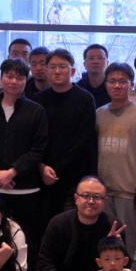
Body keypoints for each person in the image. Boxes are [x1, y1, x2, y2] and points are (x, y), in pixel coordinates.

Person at [0, 57, 49, 271]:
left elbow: (38, 148)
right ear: (1, 78)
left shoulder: (36, 110)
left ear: (25, 80)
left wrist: (12, 172)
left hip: (27, 188)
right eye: (9, 76)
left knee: (27, 239)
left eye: (19, 77)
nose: (13, 81)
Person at [95, 62, 136, 271]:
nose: (117, 85)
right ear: (106, 84)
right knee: (105, 243)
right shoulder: (99, 113)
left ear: (131, 84)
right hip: (101, 192)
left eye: (123, 81)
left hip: (129, 191)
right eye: (112, 81)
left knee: (131, 244)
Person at [34, 48, 98, 217]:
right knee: (44, 225)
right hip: (43, 176)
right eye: (52, 67)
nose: (57, 71)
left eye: (62, 66)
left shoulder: (85, 98)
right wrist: (41, 166)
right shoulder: (38, 100)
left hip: (75, 176)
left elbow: (83, 138)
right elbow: (33, 137)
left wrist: (56, 168)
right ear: (47, 71)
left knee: (72, 224)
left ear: (73, 71)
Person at [76, 44, 111, 108]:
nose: (95, 61)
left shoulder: (113, 88)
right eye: (91, 58)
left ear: (107, 63)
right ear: (84, 64)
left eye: (100, 58)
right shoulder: (76, 89)